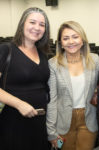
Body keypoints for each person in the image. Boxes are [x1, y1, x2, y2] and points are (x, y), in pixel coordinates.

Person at [0, 7, 51, 150]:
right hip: (12, 121)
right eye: (32, 22)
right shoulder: (6, 50)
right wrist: (19, 104)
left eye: (42, 25)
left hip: (39, 121)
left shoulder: (42, 54)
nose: (37, 28)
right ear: (22, 24)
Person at [47, 21, 99, 150]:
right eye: (66, 38)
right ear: (60, 43)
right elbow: (52, 100)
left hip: (88, 120)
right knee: (60, 148)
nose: (71, 41)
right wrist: (51, 132)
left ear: (82, 39)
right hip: (62, 122)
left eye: (75, 37)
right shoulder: (53, 64)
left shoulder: (94, 59)